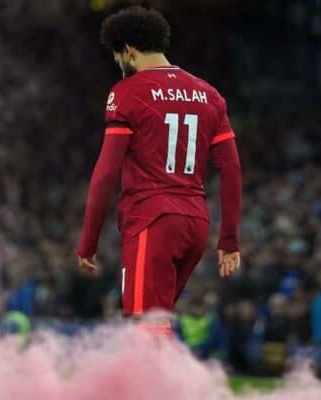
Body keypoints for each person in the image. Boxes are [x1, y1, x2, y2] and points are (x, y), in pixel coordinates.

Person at [76, 6, 242, 335]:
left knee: (146, 325)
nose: (116, 64)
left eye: (115, 55)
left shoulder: (126, 93)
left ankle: (169, 386)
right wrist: (229, 239)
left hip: (152, 220)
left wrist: (88, 241)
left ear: (129, 50)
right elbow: (232, 168)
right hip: (195, 223)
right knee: (156, 320)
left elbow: (106, 173)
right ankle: (158, 384)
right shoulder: (209, 95)